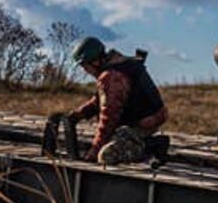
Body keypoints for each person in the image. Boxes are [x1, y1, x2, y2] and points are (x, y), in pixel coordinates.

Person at [68, 36, 169, 165]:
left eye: (84, 66)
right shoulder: (116, 66)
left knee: (107, 155)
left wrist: (95, 150)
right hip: (144, 118)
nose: (85, 71)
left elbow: (109, 118)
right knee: (109, 141)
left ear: (95, 62)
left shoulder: (111, 77)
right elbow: (100, 101)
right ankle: (144, 142)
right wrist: (79, 114)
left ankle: (152, 146)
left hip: (143, 123)